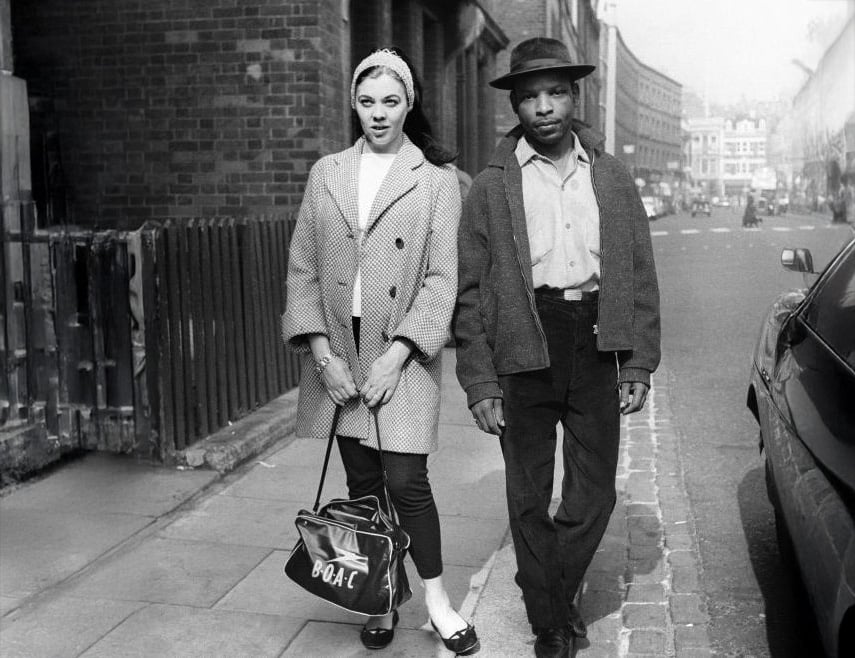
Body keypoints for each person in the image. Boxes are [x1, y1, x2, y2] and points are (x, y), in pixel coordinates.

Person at [453, 38, 661, 658]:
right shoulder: (493, 186)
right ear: (515, 107)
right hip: (524, 339)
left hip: (597, 340)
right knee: (527, 492)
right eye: (530, 97)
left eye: (556, 93)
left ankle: (544, 586)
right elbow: (468, 291)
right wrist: (481, 382)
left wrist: (640, 360)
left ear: (575, 97)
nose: (544, 107)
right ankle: (552, 623)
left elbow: (639, 271)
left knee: (593, 492)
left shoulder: (612, 176)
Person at [281, 47, 479, 655]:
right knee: (364, 482)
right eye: (366, 102)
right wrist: (323, 357)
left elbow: (442, 278)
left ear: (409, 104)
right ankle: (382, 596)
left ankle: (439, 605)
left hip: (403, 351)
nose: (378, 113)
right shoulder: (327, 173)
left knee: (408, 480)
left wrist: (398, 353)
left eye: (390, 101)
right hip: (340, 348)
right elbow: (302, 269)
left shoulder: (436, 179)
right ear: (353, 104)